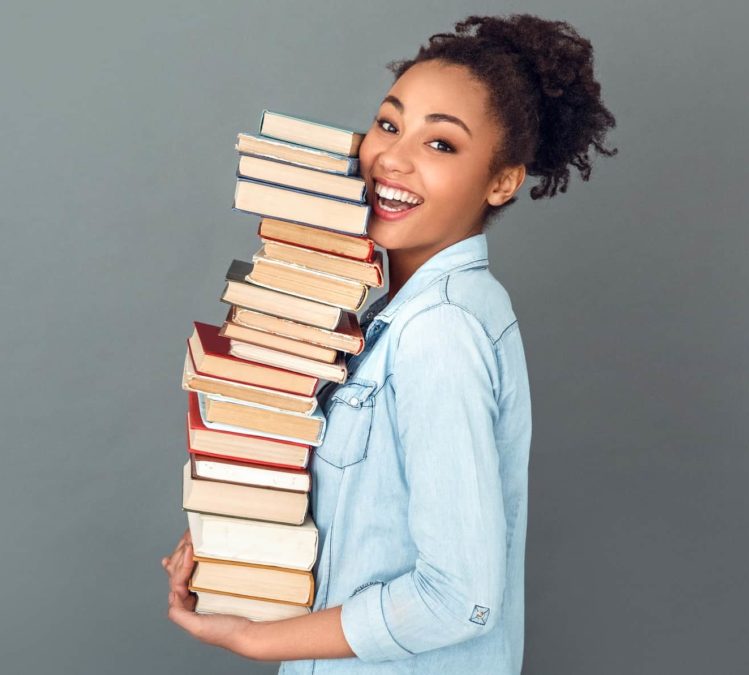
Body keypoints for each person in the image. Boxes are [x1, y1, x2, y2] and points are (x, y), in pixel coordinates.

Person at [162, 13, 616, 673]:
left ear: (501, 181)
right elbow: (368, 521)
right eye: (389, 123)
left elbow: (457, 599)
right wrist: (240, 538)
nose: (393, 159)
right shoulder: (397, 315)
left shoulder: (441, 331)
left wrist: (255, 638)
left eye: (442, 145)